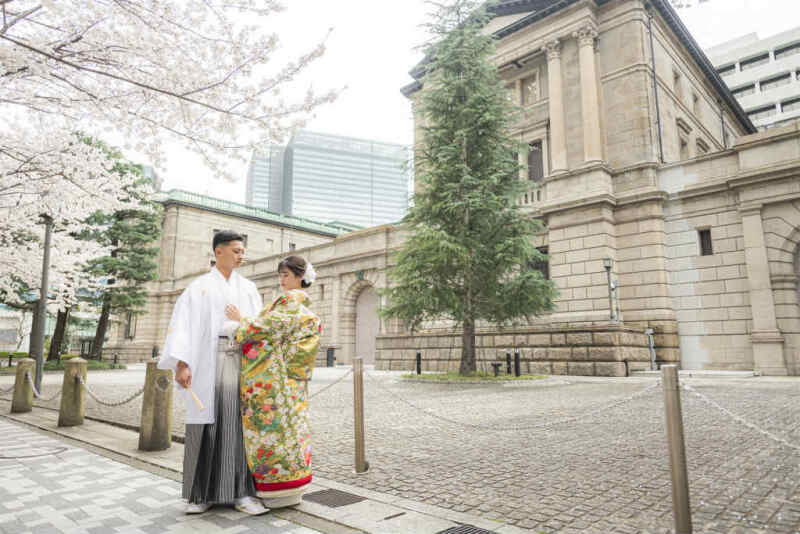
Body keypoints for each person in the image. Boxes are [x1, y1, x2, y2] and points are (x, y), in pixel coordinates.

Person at [158, 230, 268, 516]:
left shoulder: (249, 288)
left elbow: (259, 326)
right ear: (218, 251)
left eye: (242, 251)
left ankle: (242, 493)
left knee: (237, 425)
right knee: (203, 425)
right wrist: (182, 363)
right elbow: (183, 325)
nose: (241, 255)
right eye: (235, 250)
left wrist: (244, 323)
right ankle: (199, 495)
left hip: (240, 361)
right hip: (206, 361)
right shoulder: (199, 287)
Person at [224, 255, 321, 508]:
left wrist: (240, 320)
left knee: (273, 429)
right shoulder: (301, 306)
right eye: (281, 275)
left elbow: (264, 328)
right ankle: (293, 484)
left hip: (275, 381)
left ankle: (276, 488)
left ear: (300, 278)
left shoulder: (290, 301)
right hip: (292, 379)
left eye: (286, 275)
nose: (282, 280)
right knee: (293, 427)